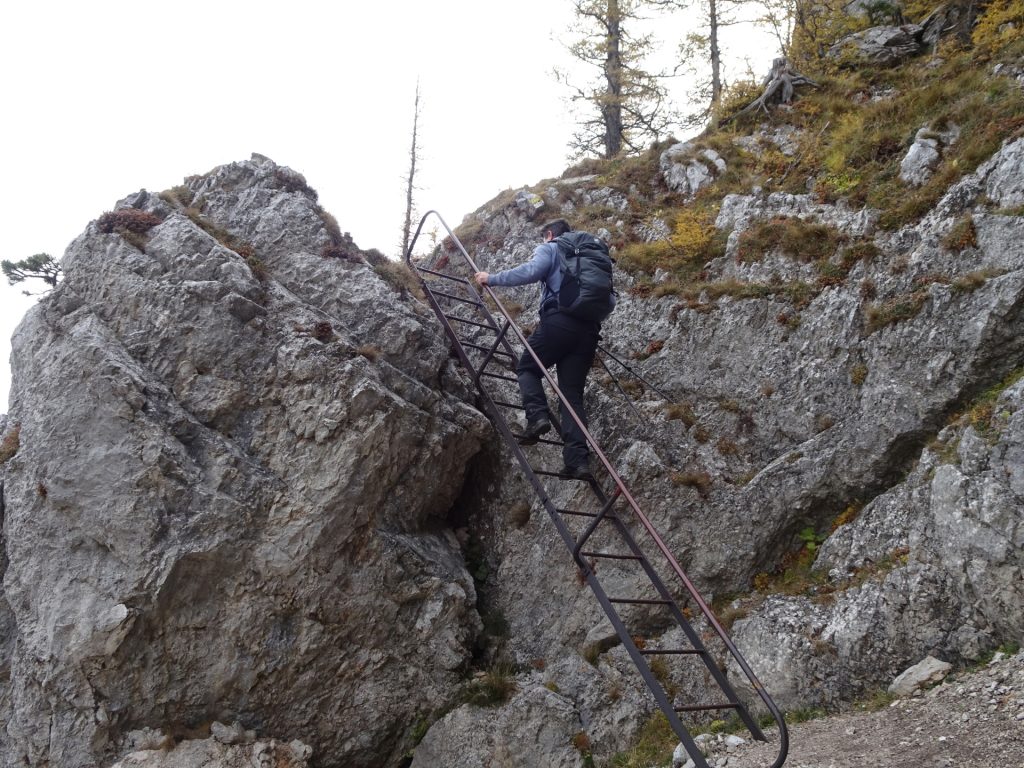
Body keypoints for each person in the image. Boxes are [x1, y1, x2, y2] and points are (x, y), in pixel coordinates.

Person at [475, 218, 610, 481]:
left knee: (527, 367)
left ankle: (537, 416)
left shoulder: (551, 247)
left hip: (560, 321)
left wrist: (492, 278)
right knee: (571, 396)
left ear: (549, 234)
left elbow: (531, 271)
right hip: (589, 331)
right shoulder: (589, 259)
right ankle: (577, 462)